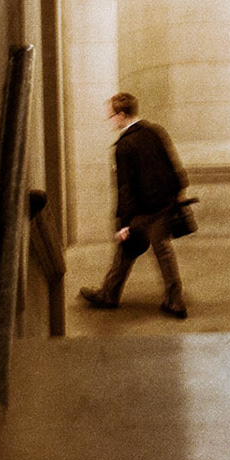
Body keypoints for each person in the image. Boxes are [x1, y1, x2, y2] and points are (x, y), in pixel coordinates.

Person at [80, 92, 189, 318]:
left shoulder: (124, 146)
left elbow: (125, 188)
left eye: (111, 116)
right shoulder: (155, 131)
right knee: (162, 251)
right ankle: (175, 301)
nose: (110, 121)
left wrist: (123, 223)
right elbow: (174, 168)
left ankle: (108, 295)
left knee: (126, 248)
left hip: (142, 211)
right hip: (164, 205)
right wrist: (175, 196)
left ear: (122, 115)